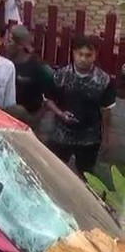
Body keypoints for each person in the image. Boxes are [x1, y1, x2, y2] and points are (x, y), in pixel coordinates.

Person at [45, 36, 116, 176]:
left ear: (95, 55)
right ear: (74, 53)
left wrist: (107, 138)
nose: (83, 59)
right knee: (53, 172)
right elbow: (48, 100)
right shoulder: (61, 75)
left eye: (88, 55)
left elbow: (106, 111)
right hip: (61, 135)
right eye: (80, 54)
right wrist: (60, 114)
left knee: (86, 177)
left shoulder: (104, 80)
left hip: (89, 138)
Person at [6, 25, 52, 129]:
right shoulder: (5, 64)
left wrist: (35, 119)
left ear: (20, 45)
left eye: (9, 41)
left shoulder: (38, 67)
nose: (5, 44)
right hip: (8, 119)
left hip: (31, 120)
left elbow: (50, 96)